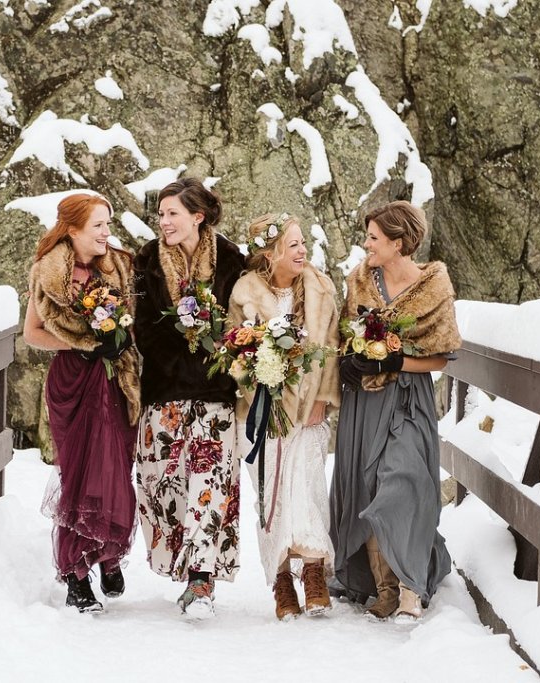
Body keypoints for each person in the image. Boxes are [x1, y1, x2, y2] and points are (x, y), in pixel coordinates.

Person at [329, 200, 462, 620]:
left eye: (373, 238)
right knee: (366, 487)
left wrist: (394, 361)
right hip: (364, 401)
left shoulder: (434, 288)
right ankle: (383, 587)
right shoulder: (360, 281)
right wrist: (350, 360)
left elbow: (442, 357)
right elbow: (345, 338)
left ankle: (409, 586)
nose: (366, 244)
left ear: (399, 242)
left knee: (403, 481)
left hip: (407, 397)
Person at [133, 178, 246, 618]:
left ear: (198, 216)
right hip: (163, 391)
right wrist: (180, 365)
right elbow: (144, 327)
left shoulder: (232, 261)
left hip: (217, 392)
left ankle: (202, 581)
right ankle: (184, 567)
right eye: (160, 215)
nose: (163, 222)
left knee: (212, 487)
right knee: (165, 488)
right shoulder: (146, 261)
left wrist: (217, 359)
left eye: (172, 214)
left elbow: (243, 320)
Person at [23, 192, 141, 613]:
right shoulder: (48, 273)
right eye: (98, 226)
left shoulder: (120, 268)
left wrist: (117, 337)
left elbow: (131, 321)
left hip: (114, 380)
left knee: (114, 466)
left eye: (108, 224)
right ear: (73, 231)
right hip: (72, 382)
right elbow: (32, 333)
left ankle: (108, 556)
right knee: (78, 474)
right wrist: (80, 344)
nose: (107, 233)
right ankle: (76, 574)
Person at [226, 213, 341, 620]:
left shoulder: (322, 290)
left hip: (309, 411)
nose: (302, 251)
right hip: (264, 411)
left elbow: (329, 349)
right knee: (271, 497)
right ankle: (280, 581)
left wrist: (322, 399)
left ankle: (313, 572)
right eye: (293, 245)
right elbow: (234, 352)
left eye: (303, 244)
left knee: (307, 490)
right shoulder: (244, 294)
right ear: (271, 253)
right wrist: (259, 379)